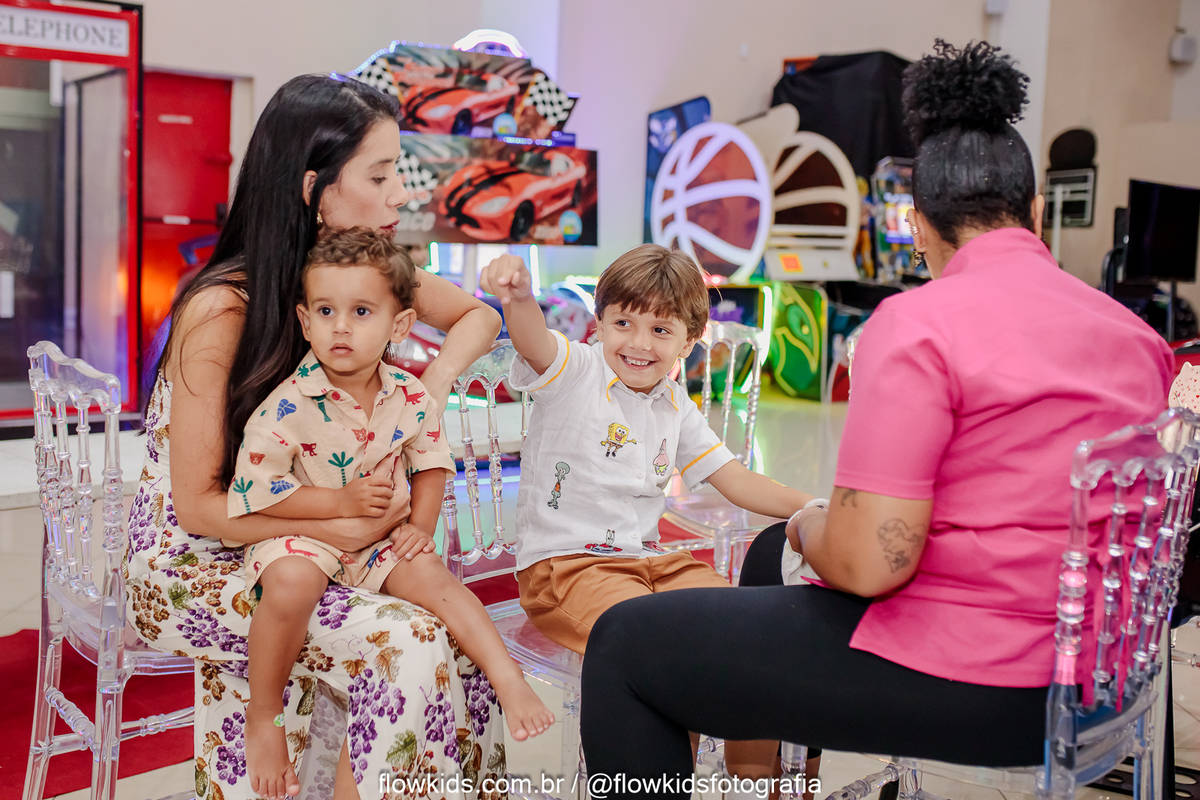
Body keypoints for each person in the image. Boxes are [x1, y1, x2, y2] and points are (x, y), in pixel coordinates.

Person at [577, 40, 1176, 796]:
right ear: (1034, 214)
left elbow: (870, 564)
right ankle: (775, 783)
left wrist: (809, 525)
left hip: (981, 680)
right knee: (765, 554)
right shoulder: (1137, 338)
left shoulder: (918, 325)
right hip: (1101, 675)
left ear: (917, 225)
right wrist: (795, 533)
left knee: (624, 645)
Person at [125, 74, 507, 800]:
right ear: (316, 191)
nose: (400, 195)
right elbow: (201, 510)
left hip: (319, 539)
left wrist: (426, 391)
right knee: (411, 638)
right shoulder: (223, 310)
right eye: (381, 176)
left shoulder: (357, 275)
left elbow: (479, 316)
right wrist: (338, 518)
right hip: (195, 558)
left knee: (453, 629)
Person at [227, 228, 553, 799]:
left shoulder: (410, 396)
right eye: (326, 311)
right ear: (305, 322)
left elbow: (430, 462)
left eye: (360, 312)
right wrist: (337, 504)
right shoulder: (286, 405)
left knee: (436, 579)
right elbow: (259, 492)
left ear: (399, 326)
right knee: (290, 582)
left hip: (381, 538)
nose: (341, 327)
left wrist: (419, 529)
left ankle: (507, 675)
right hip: (309, 534)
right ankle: (264, 713)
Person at [479, 245, 814, 783]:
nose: (638, 343)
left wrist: (822, 506)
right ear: (599, 322)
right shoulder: (576, 369)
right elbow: (533, 340)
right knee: (662, 649)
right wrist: (518, 299)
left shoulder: (674, 402)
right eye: (623, 323)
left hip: (652, 563)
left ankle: (752, 774)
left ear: (689, 340)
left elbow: (736, 479)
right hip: (567, 569)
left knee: (750, 630)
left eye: (660, 330)